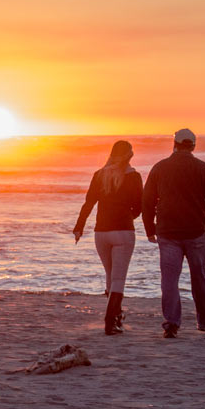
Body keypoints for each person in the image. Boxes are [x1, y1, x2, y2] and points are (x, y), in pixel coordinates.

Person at [142, 128, 205, 339]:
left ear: (174, 144)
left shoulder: (160, 168)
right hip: (196, 232)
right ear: (193, 146)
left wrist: (149, 228)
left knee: (169, 280)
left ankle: (172, 324)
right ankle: (204, 321)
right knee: (199, 277)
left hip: (168, 232)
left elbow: (147, 200)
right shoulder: (203, 169)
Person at [72, 140, 142, 335]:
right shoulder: (134, 177)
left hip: (100, 233)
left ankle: (117, 316)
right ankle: (110, 321)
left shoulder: (99, 175)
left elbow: (88, 204)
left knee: (111, 277)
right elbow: (139, 206)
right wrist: (131, 216)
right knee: (118, 279)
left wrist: (79, 227)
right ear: (130, 156)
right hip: (123, 232)